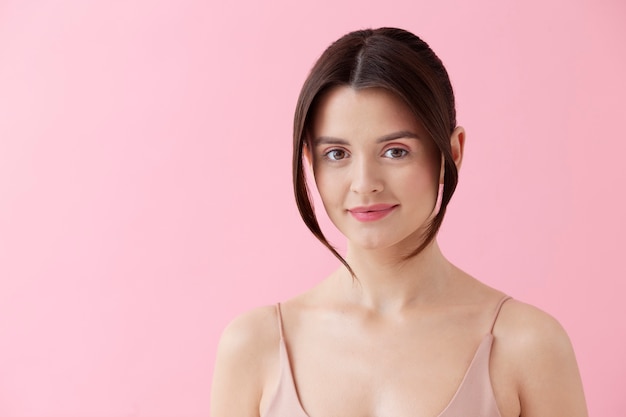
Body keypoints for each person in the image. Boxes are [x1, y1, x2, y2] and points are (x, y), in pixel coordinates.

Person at [210, 27, 587, 417]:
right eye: (337, 154)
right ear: (311, 161)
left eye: (395, 151)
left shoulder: (527, 346)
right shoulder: (254, 347)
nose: (364, 184)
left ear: (452, 153)